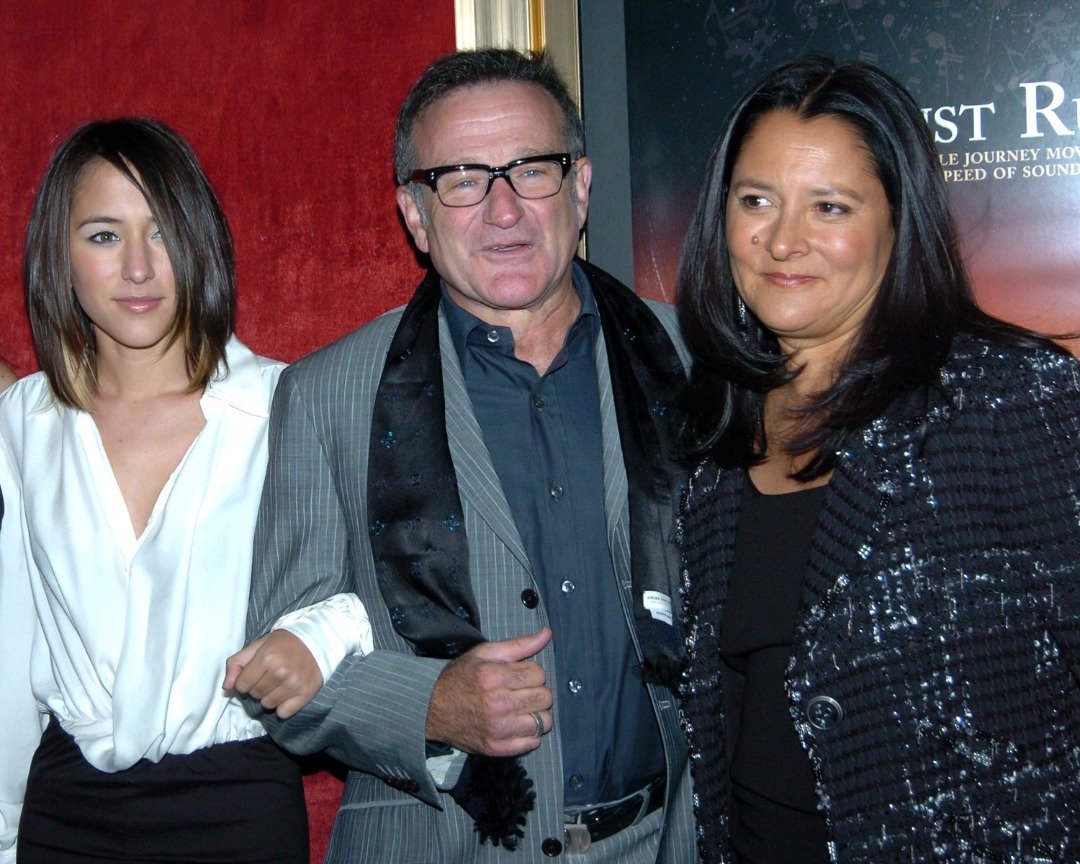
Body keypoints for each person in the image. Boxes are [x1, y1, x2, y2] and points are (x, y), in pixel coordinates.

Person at [233, 48, 697, 863]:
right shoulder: (326, 395)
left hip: (670, 841)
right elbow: (282, 674)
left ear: (581, 186)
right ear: (415, 213)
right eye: (462, 178)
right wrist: (428, 706)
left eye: (532, 170)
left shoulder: (691, 362)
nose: (504, 209)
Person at [675, 54, 1080, 864]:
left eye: (830, 206)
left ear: (898, 223)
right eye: (756, 200)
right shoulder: (708, 436)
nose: (783, 240)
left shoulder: (1014, 402)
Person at [0, 118, 310, 863]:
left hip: (238, 803)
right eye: (104, 236)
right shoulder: (23, 423)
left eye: (162, 233)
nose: (138, 268)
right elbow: (13, 646)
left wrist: (320, 639)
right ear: (60, 255)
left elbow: (366, 597)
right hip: (66, 808)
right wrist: (6, 834)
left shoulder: (285, 407)